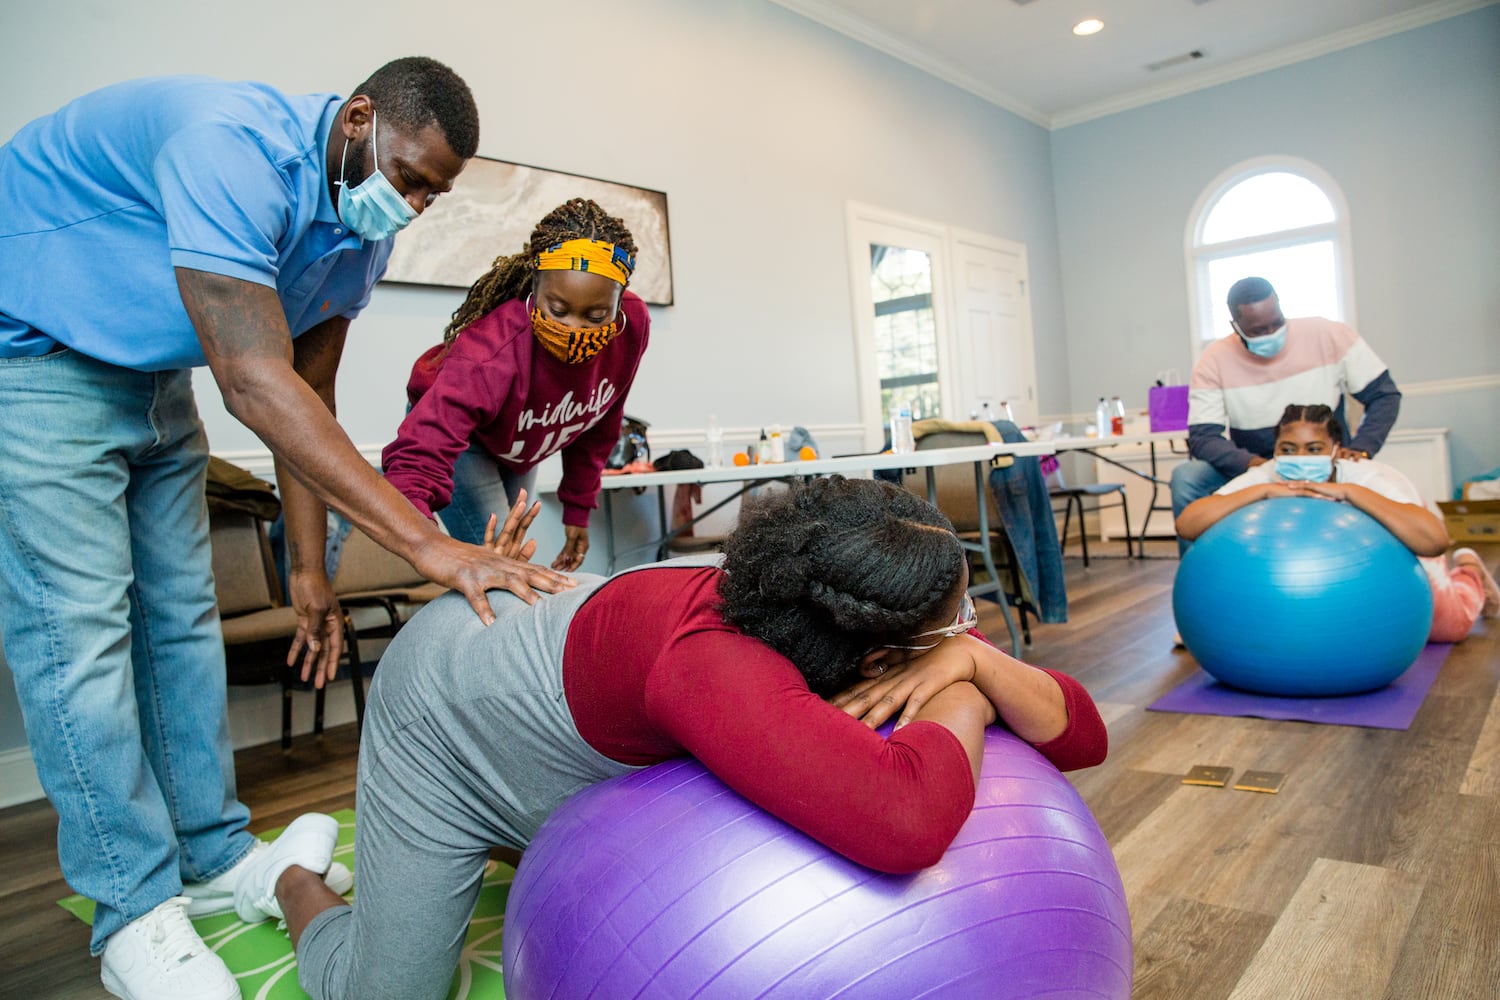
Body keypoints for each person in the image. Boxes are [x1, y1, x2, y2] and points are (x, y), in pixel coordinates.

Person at [0, 61, 574, 1000]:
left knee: (182, 617)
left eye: (437, 190)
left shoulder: (358, 238)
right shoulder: (234, 148)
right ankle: (132, 910)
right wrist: (431, 545)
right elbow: (255, 382)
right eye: (412, 174)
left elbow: (310, 394)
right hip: (34, 352)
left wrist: (308, 566)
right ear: (358, 120)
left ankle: (212, 850)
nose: (418, 202)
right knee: (81, 638)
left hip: (154, 374)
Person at [220, 476, 1108, 1000]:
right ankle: (290, 875)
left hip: (566, 688)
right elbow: (904, 823)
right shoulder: (719, 670)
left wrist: (977, 667)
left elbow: (1083, 734)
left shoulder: (834, 604)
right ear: (879, 651)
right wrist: (971, 686)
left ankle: (503, 842)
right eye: (956, 630)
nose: (971, 635)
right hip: (446, 715)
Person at [382, 198, 650, 571]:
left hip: (520, 441)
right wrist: (419, 536)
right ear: (535, 287)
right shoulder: (489, 352)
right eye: (557, 309)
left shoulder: (632, 326)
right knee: (502, 566)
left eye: (596, 315)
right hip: (466, 440)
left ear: (619, 302)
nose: (574, 327)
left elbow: (600, 420)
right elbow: (421, 452)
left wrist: (578, 508)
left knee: (511, 559)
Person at [1177, 404, 1499, 642]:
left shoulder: (1367, 476)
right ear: (1275, 451)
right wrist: (1262, 490)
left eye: (1313, 449)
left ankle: (1469, 568)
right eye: (1287, 449)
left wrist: (1347, 491)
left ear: (1335, 451)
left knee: (1447, 629)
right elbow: (1189, 524)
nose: (1300, 458)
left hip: (1402, 533)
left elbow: (1433, 540)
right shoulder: (1266, 473)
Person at [1170, 276, 1402, 553]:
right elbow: (1203, 437)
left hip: (1324, 464)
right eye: (1258, 330)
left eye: (1276, 323)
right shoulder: (1214, 359)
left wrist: (1362, 448)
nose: (1270, 333)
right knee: (1187, 477)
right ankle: (1197, 568)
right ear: (1236, 327)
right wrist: (1256, 467)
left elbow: (1384, 395)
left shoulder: (1328, 334)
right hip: (1256, 465)